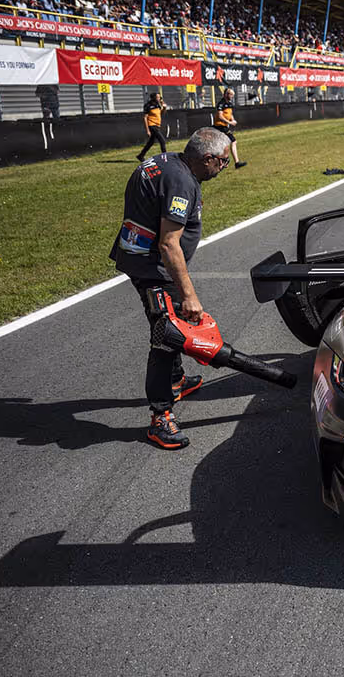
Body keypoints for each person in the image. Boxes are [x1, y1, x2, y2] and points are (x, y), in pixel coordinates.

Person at [109, 128, 231, 449]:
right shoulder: (181, 183)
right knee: (167, 337)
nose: (224, 167)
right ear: (207, 159)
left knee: (172, 325)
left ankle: (176, 380)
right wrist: (189, 295)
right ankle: (160, 416)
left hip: (139, 255)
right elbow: (169, 243)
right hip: (154, 269)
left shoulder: (164, 162)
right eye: (223, 162)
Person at [212, 87, 246, 168]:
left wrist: (232, 119)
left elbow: (230, 114)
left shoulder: (230, 104)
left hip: (224, 126)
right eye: (231, 94)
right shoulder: (221, 104)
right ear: (226, 94)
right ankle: (236, 163)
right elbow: (220, 116)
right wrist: (229, 122)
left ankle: (223, 162)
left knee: (223, 145)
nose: (232, 96)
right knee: (233, 141)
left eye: (232, 95)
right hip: (220, 126)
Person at [137, 92, 168, 161]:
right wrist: (147, 130)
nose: (159, 98)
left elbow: (161, 113)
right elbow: (145, 118)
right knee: (162, 141)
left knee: (151, 142)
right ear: (153, 98)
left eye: (159, 97)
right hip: (152, 125)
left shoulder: (158, 104)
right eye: (157, 97)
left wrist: (164, 108)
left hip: (157, 125)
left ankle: (140, 155)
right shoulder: (148, 105)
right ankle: (165, 158)